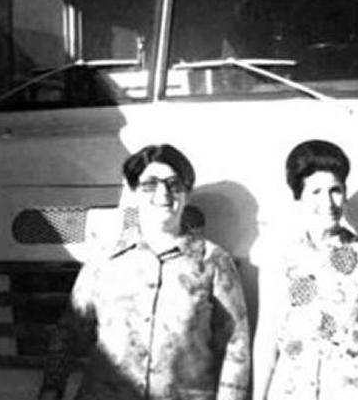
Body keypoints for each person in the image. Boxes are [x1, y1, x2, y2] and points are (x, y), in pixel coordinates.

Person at [38, 144, 251, 400]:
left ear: (187, 193)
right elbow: (69, 334)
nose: (164, 193)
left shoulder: (213, 262)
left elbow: (235, 346)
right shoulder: (103, 262)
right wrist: (51, 391)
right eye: (150, 184)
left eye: (174, 184)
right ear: (133, 192)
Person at [252, 140, 358, 400]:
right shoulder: (280, 260)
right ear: (299, 197)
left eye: (335, 190)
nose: (329, 202)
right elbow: (266, 342)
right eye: (316, 192)